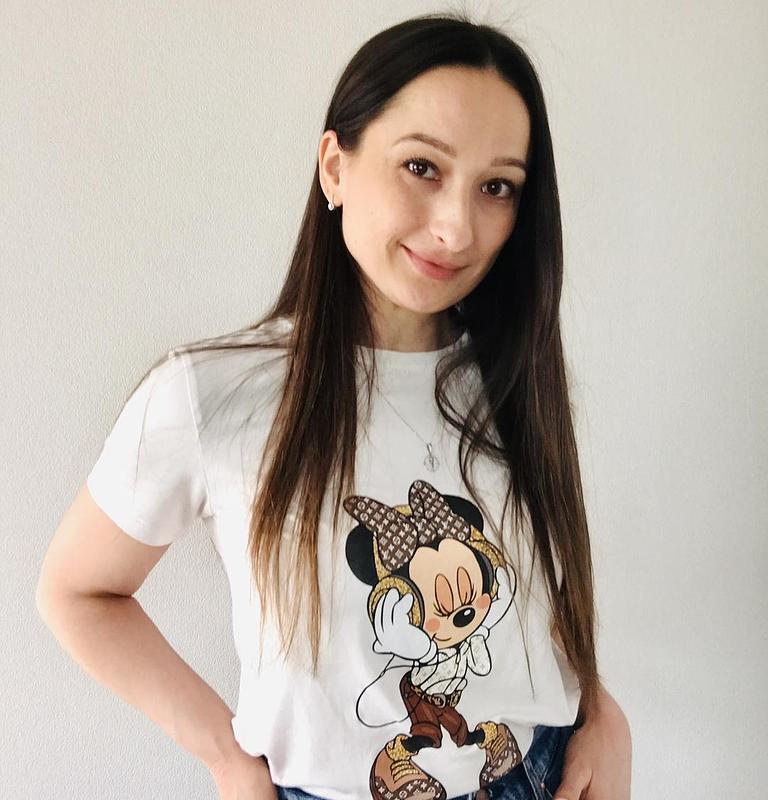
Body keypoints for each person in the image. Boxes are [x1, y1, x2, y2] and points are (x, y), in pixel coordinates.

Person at [36, 12, 632, 800]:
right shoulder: (211, 395)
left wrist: (601, 712)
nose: (457, 227)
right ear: (335, 167)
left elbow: (531, 592)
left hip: (534, 774)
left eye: (497, 187)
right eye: (422, 167)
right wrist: (225, 755)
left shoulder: (514, 376)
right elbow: (77, 591)